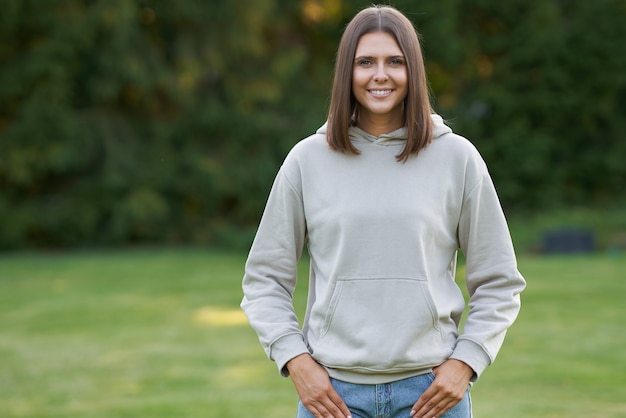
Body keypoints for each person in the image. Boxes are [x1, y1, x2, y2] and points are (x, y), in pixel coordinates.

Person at [241, 5, 525, 418]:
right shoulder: (306, 161)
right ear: (346, 73)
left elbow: (499, 281)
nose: (380, 75)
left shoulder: (456, 158)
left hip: (431, 395)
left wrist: (466, 362)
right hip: (331, 397)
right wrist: (296, 361)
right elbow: (264, 279)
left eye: (395, 61)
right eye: (365, 62)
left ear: (413, 71)